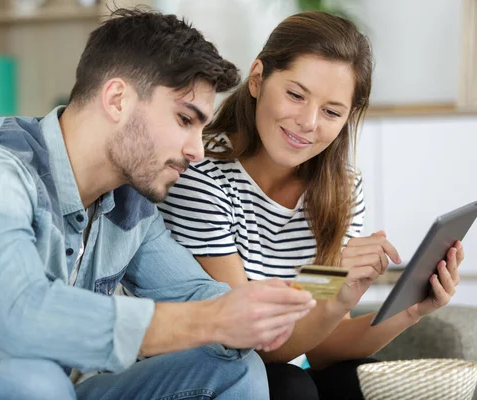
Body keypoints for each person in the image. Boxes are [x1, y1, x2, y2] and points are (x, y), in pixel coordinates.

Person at [0, 8, 318, 400]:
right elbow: (22, 315)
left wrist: (256, 311)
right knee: (36, 386)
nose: (196, 150)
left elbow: (195, 294)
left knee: (234, 369)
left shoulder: (128, 205)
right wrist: (209, 320)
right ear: (117, 99)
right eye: (185, 120)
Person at [159, 11, 465, 400]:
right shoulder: (201, 178)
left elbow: (319, 345)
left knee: (359, 381)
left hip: (284, 370)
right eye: (295, 95)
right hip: (208, 374)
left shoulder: (341, 190)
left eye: (331, 111)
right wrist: (336, 285)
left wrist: (412, 309)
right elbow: (252, 345)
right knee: (290, 385)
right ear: (257, 79)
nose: (307, 122)